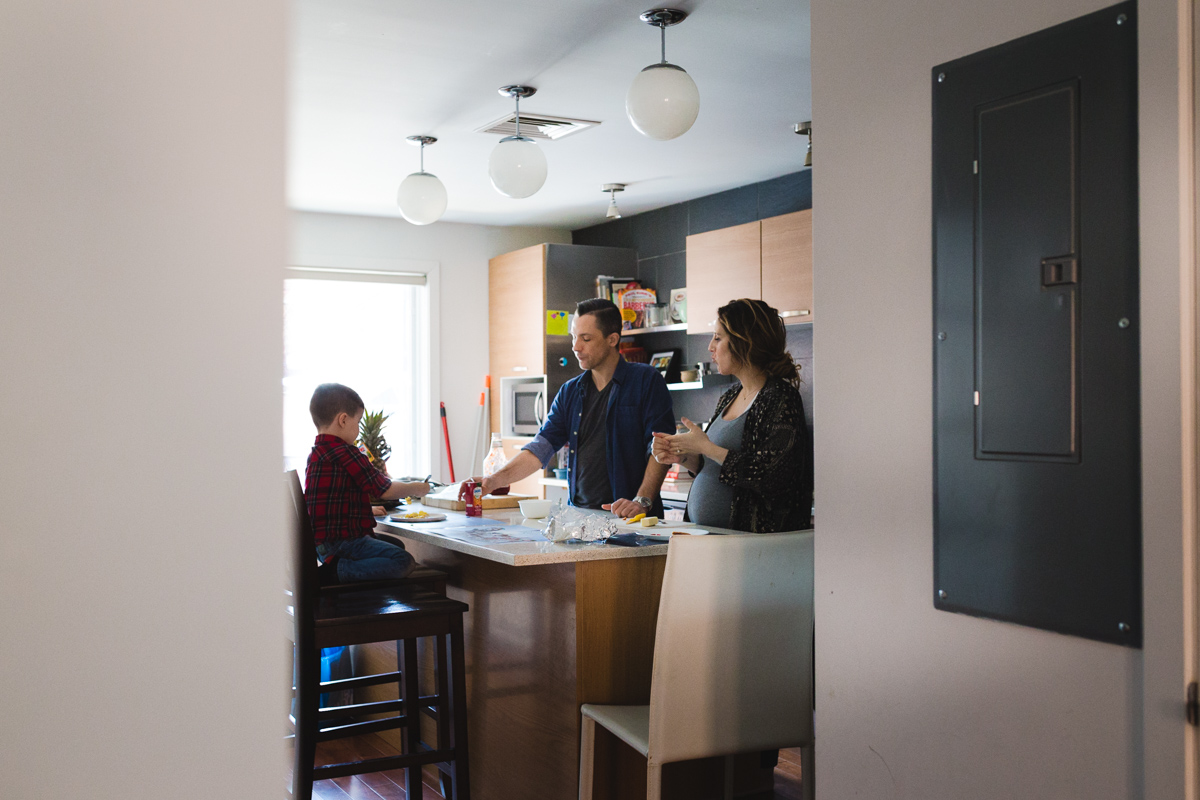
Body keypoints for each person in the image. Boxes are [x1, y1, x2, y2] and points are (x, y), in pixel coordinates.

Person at [472, 298, 675, 518]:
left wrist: (642, 501)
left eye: (586, 339)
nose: (575, 347)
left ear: (612, 339)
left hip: (631, 519)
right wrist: (493, 481)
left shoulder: (646, 380)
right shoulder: (570, 391)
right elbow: (541, 446)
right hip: (579, 516)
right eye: (574, 337)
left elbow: (661, 448)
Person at [653, 298, 813, 532]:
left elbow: (770, 476)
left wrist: (706, 447)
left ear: (744, 342)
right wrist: (682, 457)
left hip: (753, 546)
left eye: (718, 338)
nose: (710, 346)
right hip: (712, 538)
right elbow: (717, 465)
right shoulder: (730, 395)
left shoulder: (780, 397)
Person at [305, 383, 432, 584]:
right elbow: (384, 489)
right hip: (343, 543)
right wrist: (419, 488)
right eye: (358, 422)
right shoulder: (346, 453)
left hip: (322, 544)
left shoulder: (317, 454)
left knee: (396, 545)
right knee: (403, 561)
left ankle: (338, 570)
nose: (358, 430)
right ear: (343, 420)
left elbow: (326, 501)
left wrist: (364, 510)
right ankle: (336, 572)